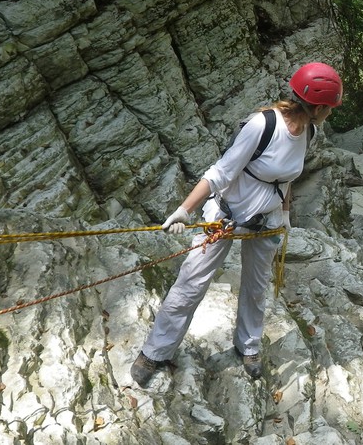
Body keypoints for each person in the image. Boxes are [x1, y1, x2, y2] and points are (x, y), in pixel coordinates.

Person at [130, 62, 343, 386]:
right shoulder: (263, 126)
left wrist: (284, 215)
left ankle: (249, 346)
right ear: (321, 106)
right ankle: (155, 352)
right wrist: (185, 210)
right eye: (330, 108)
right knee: (190, 284)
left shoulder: (309, 132)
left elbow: (285, 180)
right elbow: (221, 172)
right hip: (225, 216)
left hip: (266, 221)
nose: (330, 113)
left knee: (257, 287)